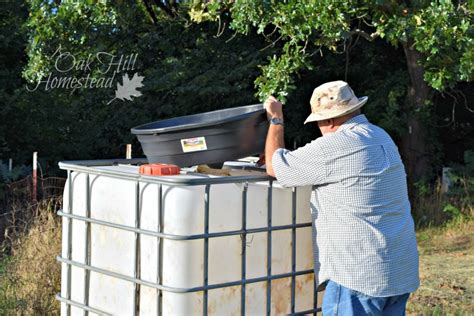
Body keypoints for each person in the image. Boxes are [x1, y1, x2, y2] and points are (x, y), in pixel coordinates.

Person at [264, 81, 419, 315]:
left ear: (330, 120)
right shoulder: (380, 136)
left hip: (358, 276)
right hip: (398, 270)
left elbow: (276, 167)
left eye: (318, 123)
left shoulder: (337, 144)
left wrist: (276, 120)